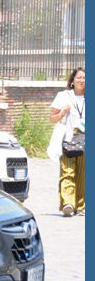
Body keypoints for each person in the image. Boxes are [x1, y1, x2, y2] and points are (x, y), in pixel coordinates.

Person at [48, 67, 85, 216]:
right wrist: (63, 112)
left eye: (85, 78)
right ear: (72, 80)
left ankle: (81, 206)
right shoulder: (63, 96)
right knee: (67, 170)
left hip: (86, 136)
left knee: (84, 173)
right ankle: (68, 203)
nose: (82, 81)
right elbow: (52, 118)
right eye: (79, 77)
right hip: (69, 136)